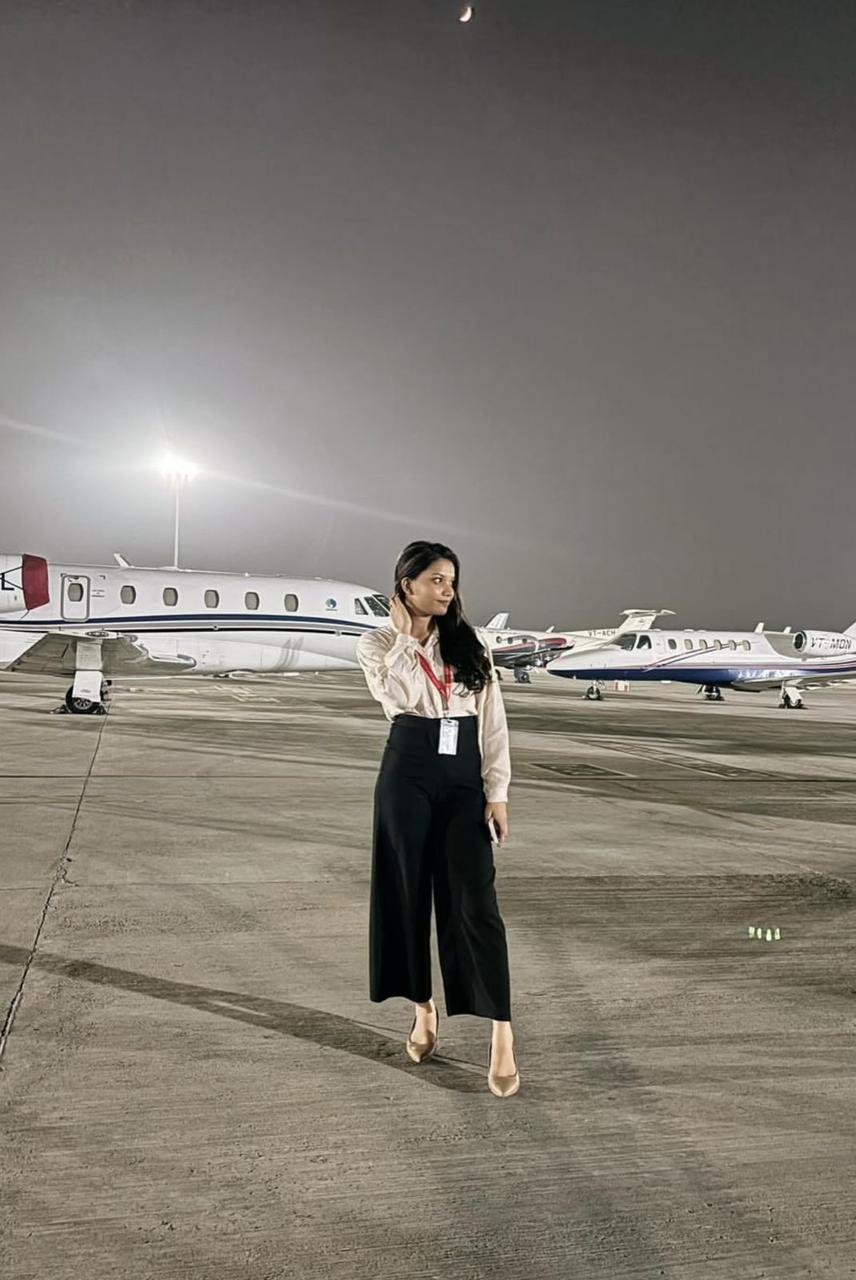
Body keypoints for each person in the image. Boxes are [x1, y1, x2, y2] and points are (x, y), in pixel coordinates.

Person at [355, 540, 519, 1098]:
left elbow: (492, 719)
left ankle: (502, 1033)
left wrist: (497, 791)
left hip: (463, 773)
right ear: (407, 585)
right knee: (405, 892)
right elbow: (395, 695)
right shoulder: (377, 644)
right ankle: (423, 1009)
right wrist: (406, 638)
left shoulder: (472, 644)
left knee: (475, 901)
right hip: (408, 768)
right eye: (436, 580)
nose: (448, 590)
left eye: (452, 580)